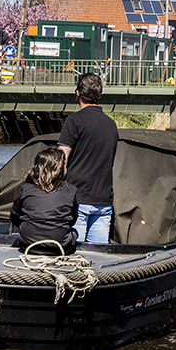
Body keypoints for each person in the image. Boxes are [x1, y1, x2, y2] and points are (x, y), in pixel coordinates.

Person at [58, 72, 118, 245]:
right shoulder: (111, 125)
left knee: (73, 255)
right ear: (99, 95)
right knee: (96, 258)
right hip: (103, 200)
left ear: (78, 93)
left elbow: (61, 160)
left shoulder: (74, 121)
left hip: (78, 200)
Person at [10, 147, 78, 252]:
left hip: (28, 244)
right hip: (60, 247)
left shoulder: (26, 188)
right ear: (60, 168)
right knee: (74, 232)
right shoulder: (71, 190)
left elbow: (14, 216)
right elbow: (72, 219)